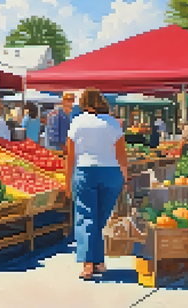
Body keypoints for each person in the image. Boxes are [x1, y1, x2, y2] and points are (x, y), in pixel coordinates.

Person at [65, 88, 127, 280]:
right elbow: (121, 154)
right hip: (111, 173)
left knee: (86, 217)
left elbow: (70, 155)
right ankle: (98, 261)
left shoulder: (77, 122)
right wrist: (124, 178)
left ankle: (88, 265)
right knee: (99, 219)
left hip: (85, 172)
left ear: (84, 104)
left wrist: (68, 181)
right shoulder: (113, 123)